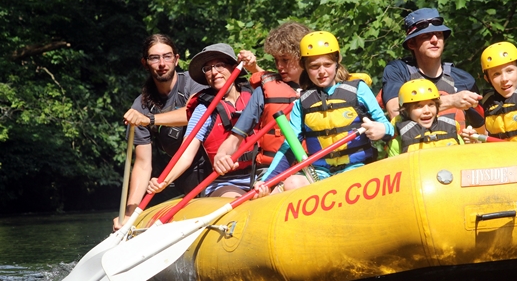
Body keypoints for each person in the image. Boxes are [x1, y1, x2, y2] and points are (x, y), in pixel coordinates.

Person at [254, 31, 394, 195]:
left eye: (327, 64)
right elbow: (288, 147)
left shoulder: (358, 89)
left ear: (337, 62)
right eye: (314, 66)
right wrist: (267, 182)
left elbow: (388, 127)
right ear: (305, 67)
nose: (322, 71)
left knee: (349, 180)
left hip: (357, 169)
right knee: (292, 183)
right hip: (321, 173)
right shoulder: (302, 102)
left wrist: (383, 130)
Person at [114, 34, 209, 230]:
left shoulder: (193, 83)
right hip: (180, 179)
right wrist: (129, 215)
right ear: (145, 63)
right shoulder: (140, 106)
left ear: (176, 59)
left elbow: (196, 113)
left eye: (167, 56)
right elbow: (142, 165)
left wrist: (150, 120)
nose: (162, 63)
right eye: (154, 58)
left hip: (214, 170)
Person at [146, 43, 258, 199]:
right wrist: (163, 181)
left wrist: (255, 67)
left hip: (261, 175)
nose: (214, 72)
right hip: (224, 183)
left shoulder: (255, 95)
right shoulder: (203, 108)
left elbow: (278, 90)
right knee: (237, 199)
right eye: (208, 68)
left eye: (220, 65)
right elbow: (186, 154)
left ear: (234, 68)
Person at [213, 21, 311, 176]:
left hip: (313, 169)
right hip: (272, 170)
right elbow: (236, 137)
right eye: (276, 60)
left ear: (302, 57)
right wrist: (221, 155)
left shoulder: (322, 88)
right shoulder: (264, 92)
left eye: (285, 60)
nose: (279, 66)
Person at [380, 8, 484, 132]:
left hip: (456, 150)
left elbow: (482, 130)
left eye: (439, 34)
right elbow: (395, 111)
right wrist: (452, 101)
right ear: (411, 44)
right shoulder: (398, 71)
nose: (435, 40)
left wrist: (473, 139)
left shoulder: (464, 80)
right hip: (415, 151)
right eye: (426, 35)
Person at [387, 79, 470, 156]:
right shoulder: (397, 144)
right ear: (405, 111)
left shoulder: (451, 132)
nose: (427, 111)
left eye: (431, 105)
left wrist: (472, 143)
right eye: (419, 106)